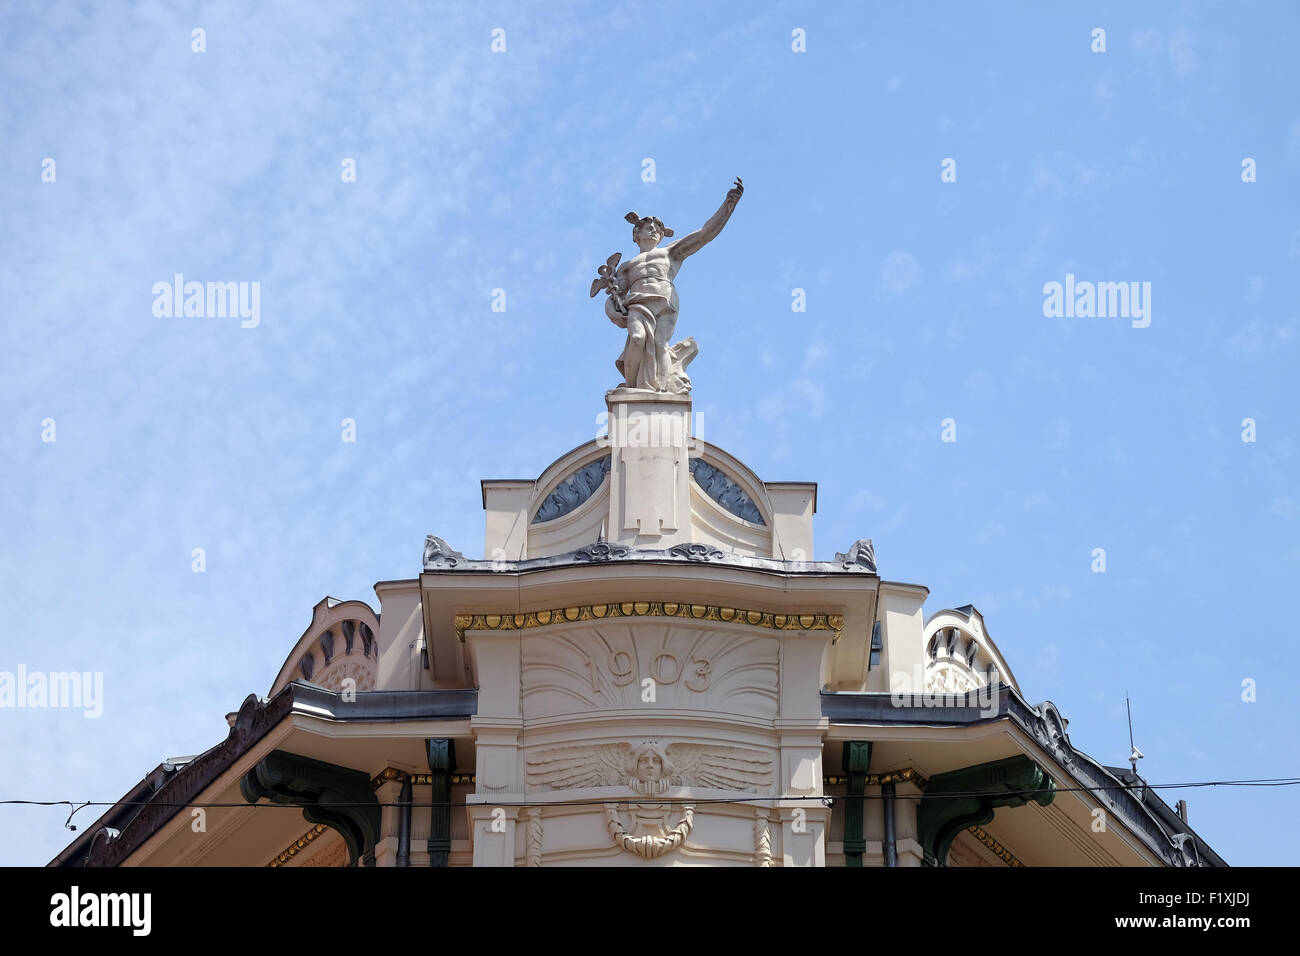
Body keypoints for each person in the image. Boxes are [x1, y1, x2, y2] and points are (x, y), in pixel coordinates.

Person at [606, 178, 743, 392]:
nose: (652, 230)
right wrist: (612, 312)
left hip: (666, 302)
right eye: (647, 227)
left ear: (662, 235)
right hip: (638, 304)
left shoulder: (670, 253)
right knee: (638, 338)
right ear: (636, 234)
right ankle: (632, 386)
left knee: (660, 346)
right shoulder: (627, 266)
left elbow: (704, 234)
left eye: (657, 228)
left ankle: (659, 390)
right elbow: (614, 297)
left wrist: (728, 206)